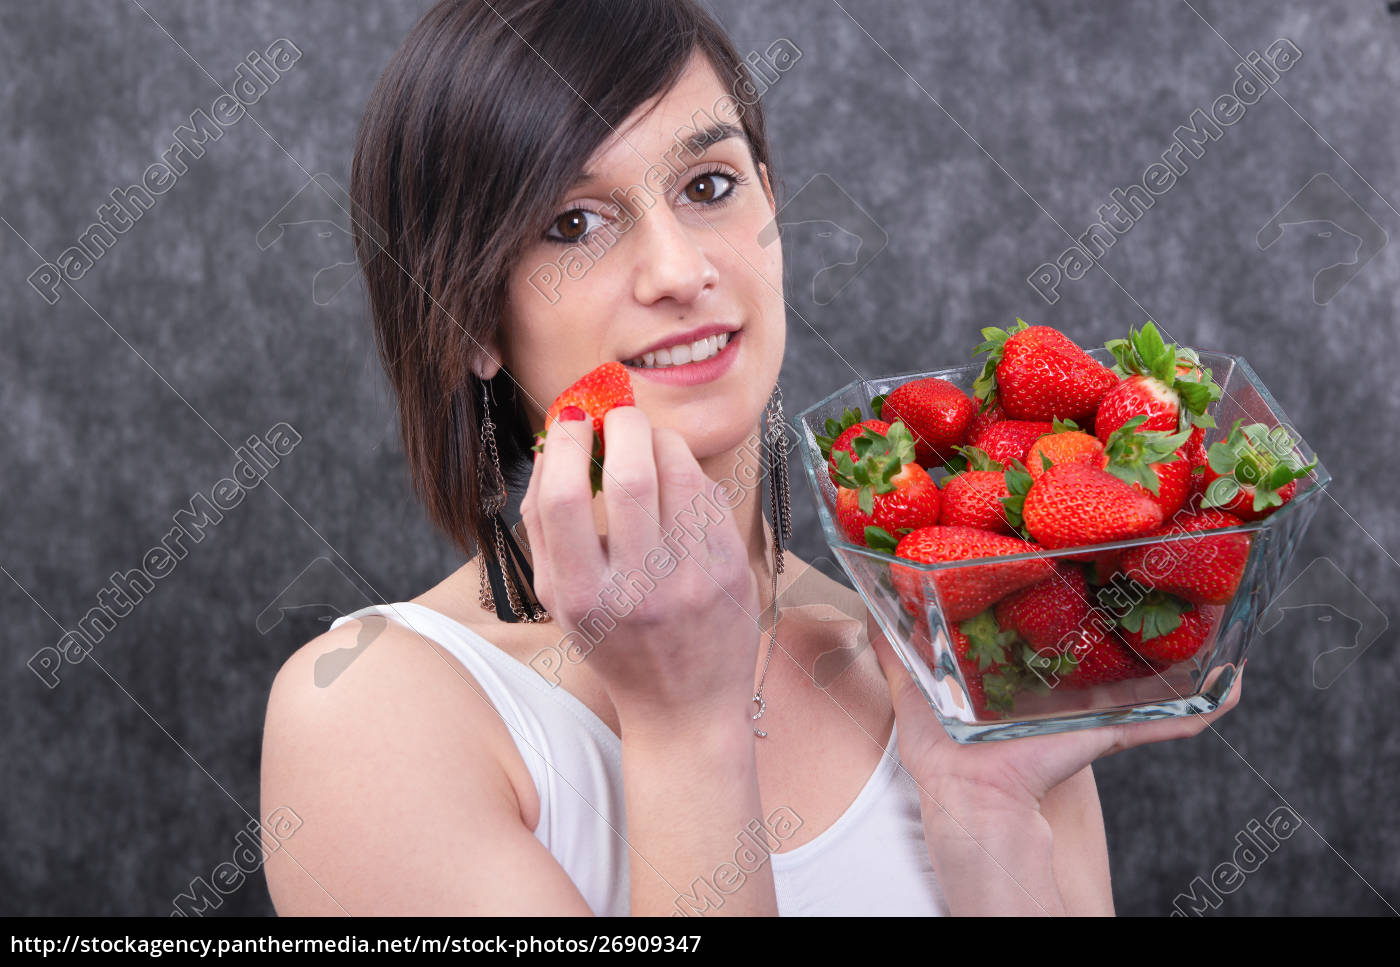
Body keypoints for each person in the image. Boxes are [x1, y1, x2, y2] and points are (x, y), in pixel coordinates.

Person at [260, 0, 1238, 917]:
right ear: (469, 316)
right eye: (570, 224)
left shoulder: (956, 645)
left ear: (769, 208)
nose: (681, 271)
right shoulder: (366, 722)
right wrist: (685, 730)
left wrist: (985, 824)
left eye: (708, 186)